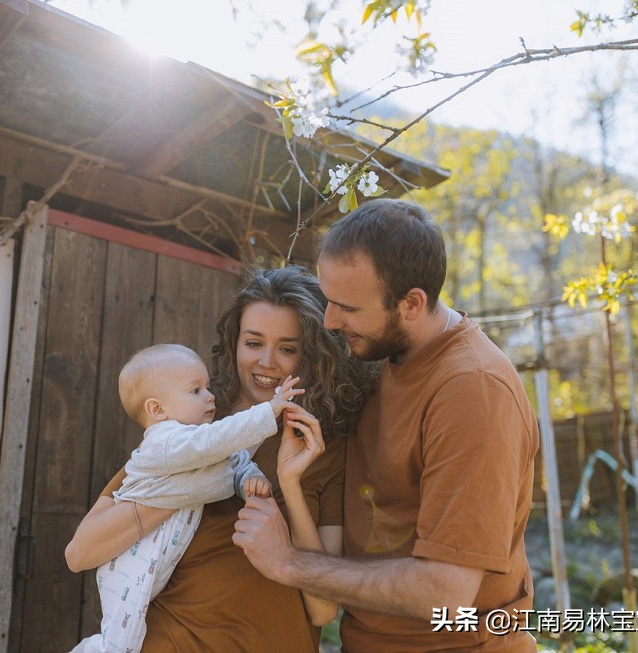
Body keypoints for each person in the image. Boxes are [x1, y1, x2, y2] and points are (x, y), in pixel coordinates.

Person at [233, 198, 540, 652]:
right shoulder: (379, 358)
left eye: (348, 307)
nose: (330, 321)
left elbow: (445, 591)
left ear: (411, 303)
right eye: (329, 300)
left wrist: (288, 562)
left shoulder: (473, 390)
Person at [65, 266, 374, 652]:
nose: (266, 362)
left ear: (311, 354)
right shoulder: (192, 425)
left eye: (287, 348)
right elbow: (79, 553)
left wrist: (289, 495)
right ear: (235, 343)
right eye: (254, 343)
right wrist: (192, 486)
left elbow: (324, 611)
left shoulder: (323, 447)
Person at [71, 343, 302, 653]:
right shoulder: (165, 442)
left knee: (132, 634)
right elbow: (216, 441)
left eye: (207, 387)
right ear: (157, 410)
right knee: (119, 640)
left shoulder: (197, 441)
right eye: (195, 391)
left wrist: (250, 478)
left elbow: (232, 459)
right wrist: (269, 410)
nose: (209, 396)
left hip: (161, 558)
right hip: (133, 556)